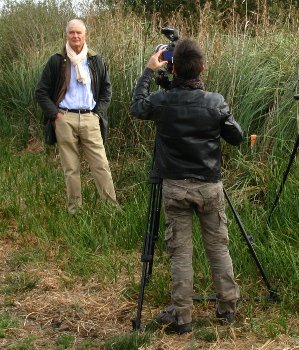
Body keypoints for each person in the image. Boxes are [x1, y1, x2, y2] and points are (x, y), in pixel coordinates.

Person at [131, 38, 242, 334]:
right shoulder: (214, 102)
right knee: (218, 248)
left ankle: (183, 317)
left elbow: (137, 106)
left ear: (174, 67)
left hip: (175, 187)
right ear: (202, 68)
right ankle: (227, 308)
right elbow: (237, 137)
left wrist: (149, 71)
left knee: (180, 253)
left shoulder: (162, 100)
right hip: (209, 187)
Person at [35, 19, 118, 214]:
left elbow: (107, 90)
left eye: (79, 32)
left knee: (101, 165)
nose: (75, 36)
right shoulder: (56, 60)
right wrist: (55, 115)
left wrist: (98, 113)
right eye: (72, 32)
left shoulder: (95, 60)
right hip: (65, 119)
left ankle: (111, 208)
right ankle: (75, 210)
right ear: (66, 35)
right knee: (71, 168)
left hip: (90, 118)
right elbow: (41, 92)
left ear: (85, 35)